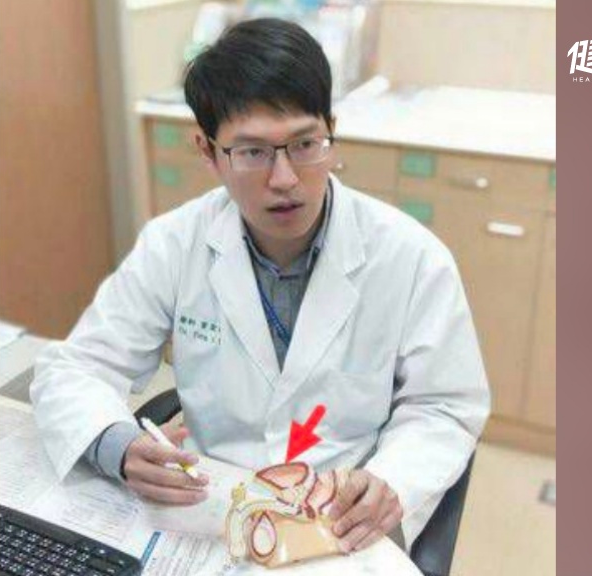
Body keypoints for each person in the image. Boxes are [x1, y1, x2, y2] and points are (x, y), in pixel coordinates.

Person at [31, 17, 490, 553]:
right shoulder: (174, 244)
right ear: (208, 152)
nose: (285, 179)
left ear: (332, 131)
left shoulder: (411, 258)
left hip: (338, 521)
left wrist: (391, 481)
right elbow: (76, 368)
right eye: (252, 152)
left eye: (305, 144)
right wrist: (119, 446)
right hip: (211, 509)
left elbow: (446, 405)